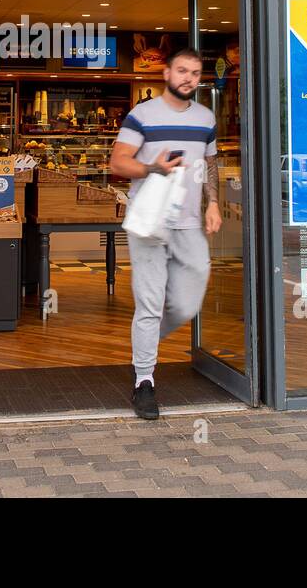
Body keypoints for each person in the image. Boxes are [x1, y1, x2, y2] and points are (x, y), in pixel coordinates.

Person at [109, 47, 222, 420]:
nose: (188, 77)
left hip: (189, 220)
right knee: (150, 304)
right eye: (182, 70)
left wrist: (213, 203)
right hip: (150, 222)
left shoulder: (206, 118)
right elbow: (118, 161)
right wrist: (150, 168)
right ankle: (144, 380)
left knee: (188, 302)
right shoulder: (142, 115)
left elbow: (210, 163)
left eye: (194, 72)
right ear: (166, 74)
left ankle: (145, 339)